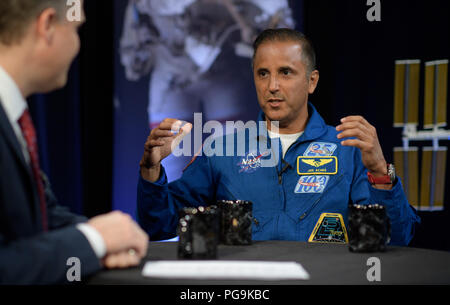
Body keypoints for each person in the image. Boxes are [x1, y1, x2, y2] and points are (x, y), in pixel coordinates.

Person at [136, 28, 420, 245]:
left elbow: (396, 238)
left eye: (285, 72)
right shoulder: (221, 149)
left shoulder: (349, 148)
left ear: (312, 81)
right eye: (263, 73)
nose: (272, 86)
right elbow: (160, 225)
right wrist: (151, 171)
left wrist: (380, 171)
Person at [0, 0, 148, 284]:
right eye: (76, 29)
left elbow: (43, 218)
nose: (78, 45)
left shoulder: (13, 119)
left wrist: (104, 242)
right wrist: (93, 241)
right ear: (47, 26)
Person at [120, 0, 294, 181]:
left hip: (223, 72)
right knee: (170, 169)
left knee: (233, 167)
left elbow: (279, 16)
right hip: (171, 75)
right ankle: (173, 207)